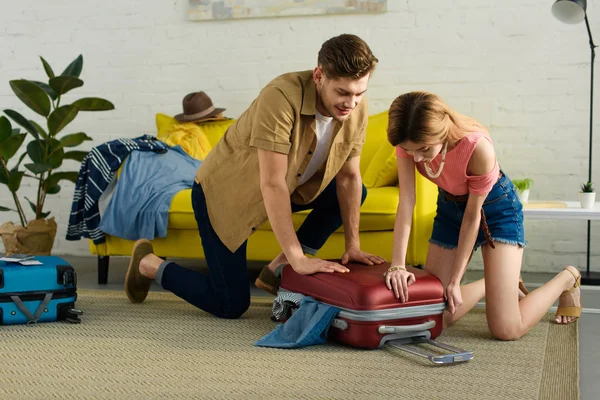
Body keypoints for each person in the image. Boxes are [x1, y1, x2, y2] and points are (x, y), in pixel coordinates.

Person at [124, 34, 385, 319]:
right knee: (230, 305)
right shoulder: (280, 97)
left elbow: (348, 179)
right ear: (319, 75)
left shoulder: (356, 110)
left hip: (290, 188)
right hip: (227, 195)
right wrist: (300, 259)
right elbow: (272, 183)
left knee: (356, 191)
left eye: (359, 93)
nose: (352, 103)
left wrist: (353, 246)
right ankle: (148, 264)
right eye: (343, 92)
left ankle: (277, 268)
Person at [384, 91, 582, 340]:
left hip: (497, 210)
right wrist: (397, 265)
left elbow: (472, 217)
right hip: (449, 209)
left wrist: (455, 281)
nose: (417, 158)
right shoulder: (408, 142)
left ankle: (567, 278)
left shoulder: (477, 147)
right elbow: (407, 202)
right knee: (436, 318)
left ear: (442, 131)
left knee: (507, 329)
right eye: (408, 150)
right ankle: (493, 283)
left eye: (424, 150)